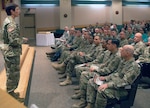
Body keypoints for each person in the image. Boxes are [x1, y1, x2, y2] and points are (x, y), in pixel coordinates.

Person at [1, 3, 26, 102]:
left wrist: (19, 38)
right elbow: (13, 40)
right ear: (12, 11)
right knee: (13, 74)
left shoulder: (7, 20)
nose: (19, 11)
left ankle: (11, 92)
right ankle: (10, 95)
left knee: (10, 73)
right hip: (12, 52)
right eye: (17, 9)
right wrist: (22, 40)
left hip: (8, 51)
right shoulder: (11, 23)